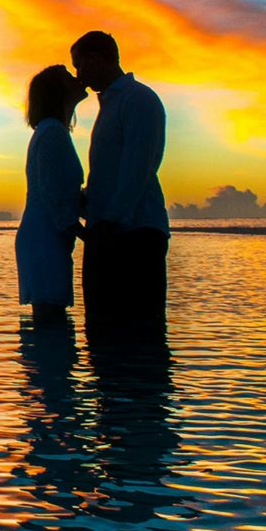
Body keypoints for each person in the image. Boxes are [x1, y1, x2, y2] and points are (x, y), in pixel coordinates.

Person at [70, 31, 170, 328]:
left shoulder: (138, 99)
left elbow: (138, 168)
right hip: (108, 230)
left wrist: (110, 223)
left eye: (80, 66)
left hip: (133, 234)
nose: (80, 76)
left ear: (96, 59)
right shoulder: (112, 104)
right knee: (102, 332)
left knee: (139, 330)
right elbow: (111, 173)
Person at [15, 64, 87, 325]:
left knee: (50, 323)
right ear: (59, 91)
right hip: (45, 238)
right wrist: (87, 234)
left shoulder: (51, 131)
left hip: (46, 236)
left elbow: (60, 190)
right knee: (50, 323)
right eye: (69, 76)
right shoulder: (52, 132)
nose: (77, 79)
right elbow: (53, 192)